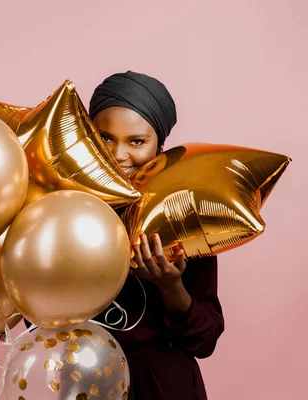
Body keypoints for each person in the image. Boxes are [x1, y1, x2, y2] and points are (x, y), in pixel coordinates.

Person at [89, 70, 225, 400]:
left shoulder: (184, 215)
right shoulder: (61, 206)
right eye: (105, 137)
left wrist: (170, 285)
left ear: (159, 147)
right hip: (82, 381)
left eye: (136, 141)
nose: (118, 155)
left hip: (161, 385)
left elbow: (204, 341)